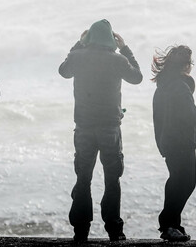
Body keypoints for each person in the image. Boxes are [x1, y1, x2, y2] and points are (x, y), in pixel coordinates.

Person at [58, 19, 143, 242]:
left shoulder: (77, 57)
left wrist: (78, 43)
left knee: (83, 178)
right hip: (110, 128)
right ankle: (114, 229)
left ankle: (81, 230)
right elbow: (137, 77)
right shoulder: (118, 59)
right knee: (112, 179)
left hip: (84, 127)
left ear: (90, 39)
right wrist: (125, 47)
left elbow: (63, 72)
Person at [152, 45, 196, 242]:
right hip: (181, 141)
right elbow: (191, 116)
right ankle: (168, 223)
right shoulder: (180, 87)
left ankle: (173, 225)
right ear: (185, 65)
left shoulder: (163, 85)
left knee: (175, 181)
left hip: (167, 140)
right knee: (187, 183)